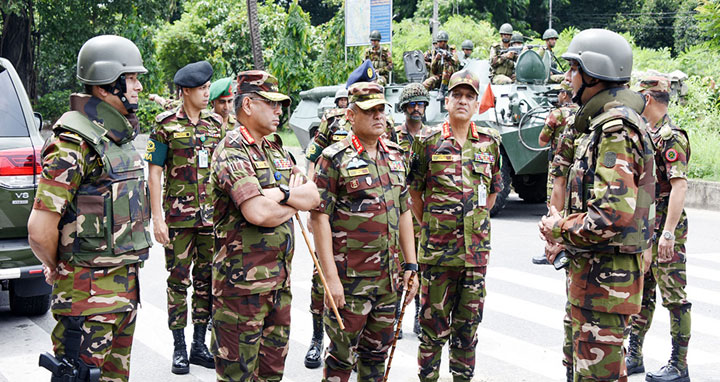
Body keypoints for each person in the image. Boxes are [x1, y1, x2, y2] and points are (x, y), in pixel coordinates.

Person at [27, 34, 152, 382]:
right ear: (106, 83)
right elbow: (40, 230)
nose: (139, 86)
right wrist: (59, 266)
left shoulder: (116, 136)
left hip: (123, 294)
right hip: (86, 299)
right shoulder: (72, 141)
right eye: (132, 78)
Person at [539, 28, 656, 382]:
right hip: (597, 281)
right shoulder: (604, 125)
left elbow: (610, 215)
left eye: (574, 69)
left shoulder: (614, 129)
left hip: (606, 285)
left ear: (595, 73)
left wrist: (557, 228)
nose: (569, 77)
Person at [210, 70, 320, 381]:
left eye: (280, 104)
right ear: (247, 105)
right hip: (240, 291)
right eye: (271, 103)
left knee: (271, 375)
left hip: (278, 285)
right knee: (238, 377)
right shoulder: (232, 151)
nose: (279, 111)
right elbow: (257, 213)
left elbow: (312, 194)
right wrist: (292, 200)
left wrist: (282, 194)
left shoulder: (276, 150)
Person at [310, 82, 419, 382]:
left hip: (388, 281)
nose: (378, 116)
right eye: (370, 110)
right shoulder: (334, 158)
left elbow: (405, 210)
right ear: (351, 114)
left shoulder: (395, 155)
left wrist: (411, 266)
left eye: (382, 109)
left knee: (376, 358)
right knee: (342, 360)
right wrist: (330, 278)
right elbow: (319, 218)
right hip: (349, 282)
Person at [410, 70, 503, 382]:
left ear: (477, 103)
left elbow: (491, 195)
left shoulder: (490, 145)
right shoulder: (428, 142)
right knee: (432, 332)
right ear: (446, 101)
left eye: (469, 97)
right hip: (437, 256)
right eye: (457, 96)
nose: (463, 101)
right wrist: (434, 228)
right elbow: (415, 194)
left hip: (475, 258)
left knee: (467, 331)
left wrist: (472, 227)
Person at [145, 60, 222, 374]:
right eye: (202, 89)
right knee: (178, 283)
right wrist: (157, 218)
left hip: (210, 219)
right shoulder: (165, 125)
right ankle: (178, 347)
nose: (207, 94)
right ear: (186, 91)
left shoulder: (215, 125)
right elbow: (154, 174)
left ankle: (198, 345)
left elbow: (222, 170)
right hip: (178, 219)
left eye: (207, 88)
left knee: (207, 283)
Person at [626, 75, 692, 382]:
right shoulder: (648, 133)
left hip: (666, 222)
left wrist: (667, 233)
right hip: (648, 221)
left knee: (674, 295)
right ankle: (634, 355)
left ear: (649, 99)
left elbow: (679, 187)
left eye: (640, 97)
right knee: (644, 292)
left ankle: (679, 364)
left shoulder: (670, 136)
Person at [302, 87, 349, 369]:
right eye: (344, 99)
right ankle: (317, 339)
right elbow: (312, 157)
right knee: (321, 278)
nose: (347, 103)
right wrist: (311, 200)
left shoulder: (383, 123)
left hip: (364, 220)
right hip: (329, 211)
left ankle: (347, 344)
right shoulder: (332, 121)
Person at [395, 83, 430, 337]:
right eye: (412, 104)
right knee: (398, 262)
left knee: (421, 264)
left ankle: (419, 314)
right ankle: (394, 315)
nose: (417, 108)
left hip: (421, 206)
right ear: (404, 107)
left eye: (421, 104)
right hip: (397, 206)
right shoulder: (393, 137)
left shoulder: (431, 136)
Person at [532, 81, 579, 266]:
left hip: (559, 166)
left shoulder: (557, 114)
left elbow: (541, 141)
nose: (558, 96)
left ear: (565, 95)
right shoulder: (583, 113)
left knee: (554, 207)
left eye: (560, 92)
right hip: (578, 169)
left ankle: (552, 247)